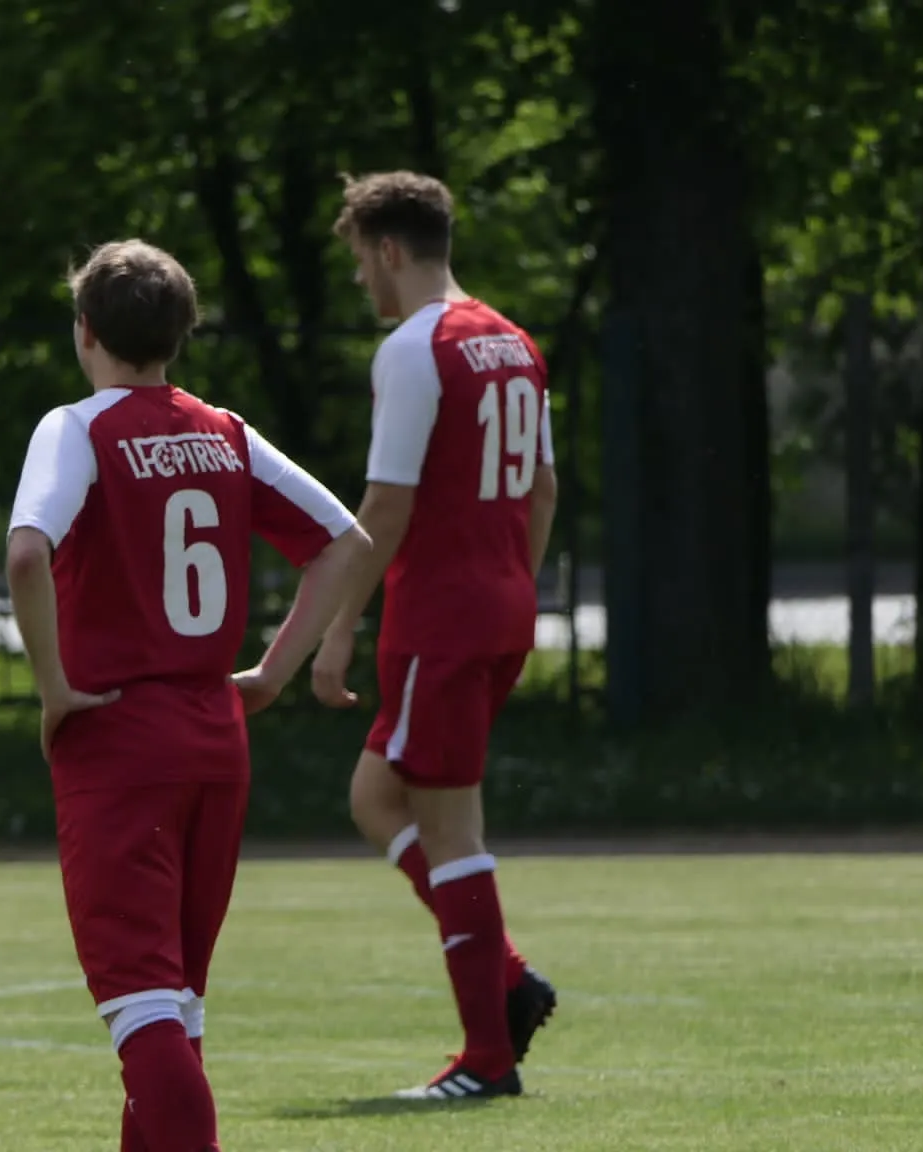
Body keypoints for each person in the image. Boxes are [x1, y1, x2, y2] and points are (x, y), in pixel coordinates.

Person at [5, 238, 370, 1148]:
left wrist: (54, 690)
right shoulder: (225, 432)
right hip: (214, 735)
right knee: (174, 1004)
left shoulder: (77, 428)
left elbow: (26, 555)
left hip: (119, 737)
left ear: (84, 331)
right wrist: (274, 673)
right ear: (182, 333)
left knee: (142, 1009)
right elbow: (346, 542)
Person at [310, 171, 559, 1100]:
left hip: (441, 620)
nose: (360, 280)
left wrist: (337, 629)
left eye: (359, 260)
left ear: (389, 249)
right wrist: (514, 588)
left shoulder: (416, 349)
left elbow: (385, 506)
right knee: (377, 796)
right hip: (498, 605)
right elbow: (542, 489)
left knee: (451, 829)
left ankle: (488, 1057)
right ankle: (506, 976)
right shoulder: (514, 342)